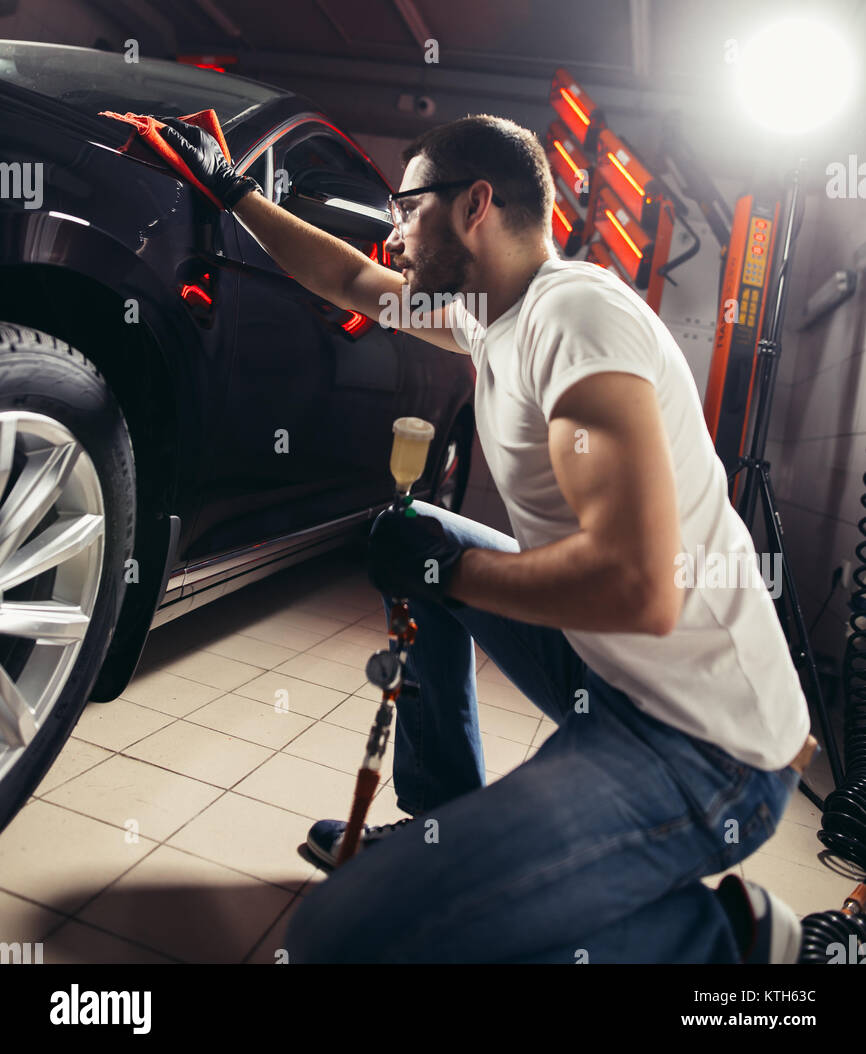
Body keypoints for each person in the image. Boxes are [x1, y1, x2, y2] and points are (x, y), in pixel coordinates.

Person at [153, 111, 815, 965]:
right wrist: (234, 191)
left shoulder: (575, 319)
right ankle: (441, 825)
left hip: (707, 745)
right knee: (414, 526)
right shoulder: (488, 312)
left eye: (407, 204)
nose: (393, 225)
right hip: (611, 672)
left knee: (342, 937)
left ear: (475, 205)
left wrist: (455, 572)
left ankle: (726, 942)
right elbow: (353, 280)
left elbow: (639, 586)